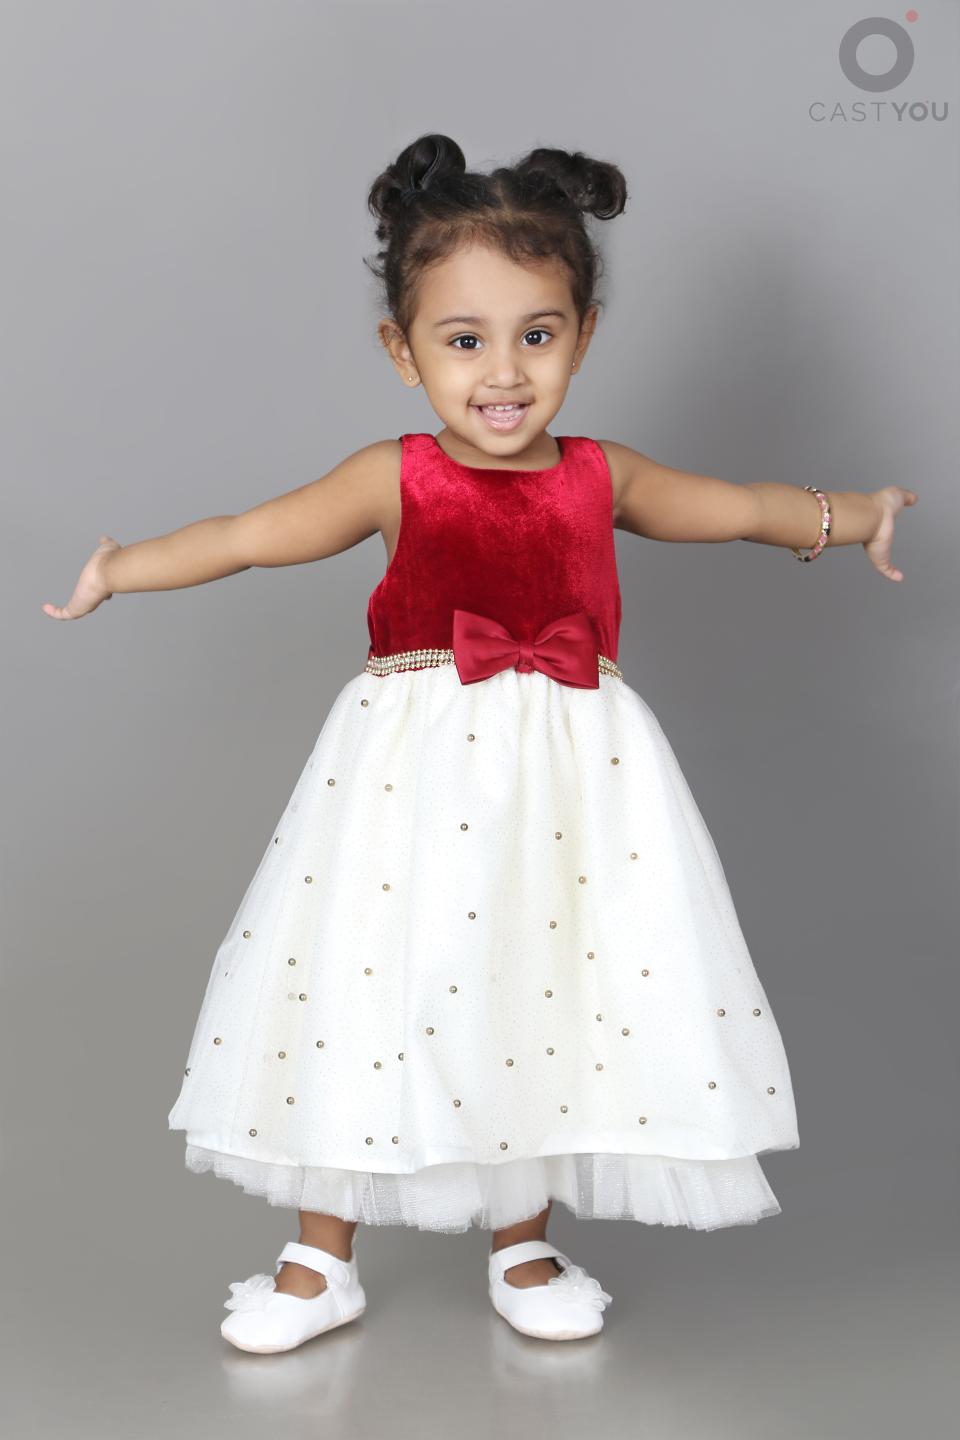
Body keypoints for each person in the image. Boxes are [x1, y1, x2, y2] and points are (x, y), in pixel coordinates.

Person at [42, 133, 917, 1351]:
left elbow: (740, 510)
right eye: (464, 341)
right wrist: (122, 568)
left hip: (574, 789)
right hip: (405, 782)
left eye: (537, 335)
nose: (503, 373)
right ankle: (319, 1254)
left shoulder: (602, 476)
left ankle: (523, 1244)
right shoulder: (392, 478)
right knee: (361, 986)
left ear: (584, 336)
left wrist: (857, 514)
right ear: (403, 352)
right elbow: (249, 535)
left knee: (541, 987)